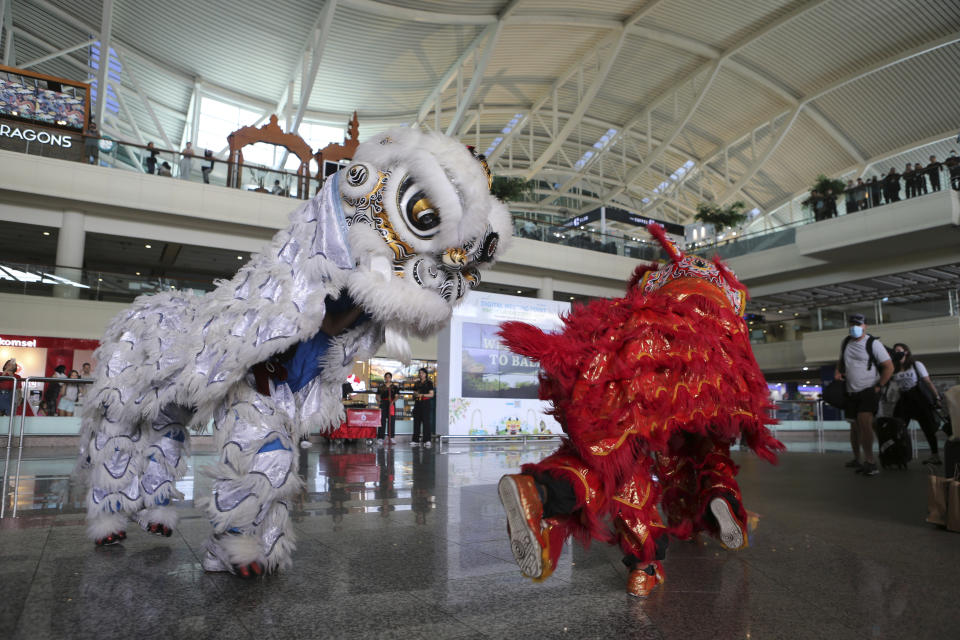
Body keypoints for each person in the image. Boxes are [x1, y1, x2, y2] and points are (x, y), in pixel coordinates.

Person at [496, 224, 782, 597]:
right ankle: (718, 497)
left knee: (621, 459)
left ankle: (544, 492)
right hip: (714, 372)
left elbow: (631, 317)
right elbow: (742, 351)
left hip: (647, 360)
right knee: (708, 449)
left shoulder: (653, 284)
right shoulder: (728, 294)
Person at [835, 313, 893, 477]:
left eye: (858, 324)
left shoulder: (873, 344)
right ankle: (857, 459)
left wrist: (879, 386)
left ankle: (871, 462)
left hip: (868, 389)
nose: (855, 327)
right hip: (851, 390)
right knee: (854, 426)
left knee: (864, 422)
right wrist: (838, 371)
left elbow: (889, 367)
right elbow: (841, 361)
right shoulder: (845, 342)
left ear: (865, 326)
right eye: (852, 323)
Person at [891, 343, 950, 464]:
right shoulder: (894, 368)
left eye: (899, 350)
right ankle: (900, 456)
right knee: (899, 428)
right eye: (895, 351)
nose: (896, 353)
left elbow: (927, 382)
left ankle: (935, 456)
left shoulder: (916, 365)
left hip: (919, 398)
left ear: (906, 352)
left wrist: (937, 397)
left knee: (928, 428)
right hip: (904, 399)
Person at [411, 367, 434, 448]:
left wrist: (422, 395)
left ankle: (427, 440)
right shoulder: (417, 383)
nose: (421, 374)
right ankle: (415, 440)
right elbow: (414, 393)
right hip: (418, 403)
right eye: (420, 373)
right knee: (416, 422)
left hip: (426, 403)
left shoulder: (429, 383)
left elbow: (431, 394)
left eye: (422, 373)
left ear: (426, 374)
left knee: (426, 422)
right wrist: (415, 395)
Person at [377, 372, 398, 445]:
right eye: (386, 377)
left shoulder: (394, 387)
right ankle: (380, 438)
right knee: (382, 420)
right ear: (384, 378)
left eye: (389, 377)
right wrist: (379, 401)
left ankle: (391, 437)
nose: (387, 378)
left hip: (391, 404)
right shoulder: (381, 387)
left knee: (391, 420)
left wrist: (393, 402)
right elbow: (377, 396)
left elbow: (396, 396)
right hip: (383, 404)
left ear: (391, 378)